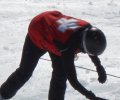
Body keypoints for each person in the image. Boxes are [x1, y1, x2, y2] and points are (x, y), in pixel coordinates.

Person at [0, 10, 107, 100]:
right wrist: (92, 97)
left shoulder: (88, 29)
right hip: (38, 30)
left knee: (60, 75)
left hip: (54, 33)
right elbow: (73, 80)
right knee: (25, 71)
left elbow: (90, 47)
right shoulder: (67, 47)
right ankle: (2, 95)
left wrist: (99, 67)